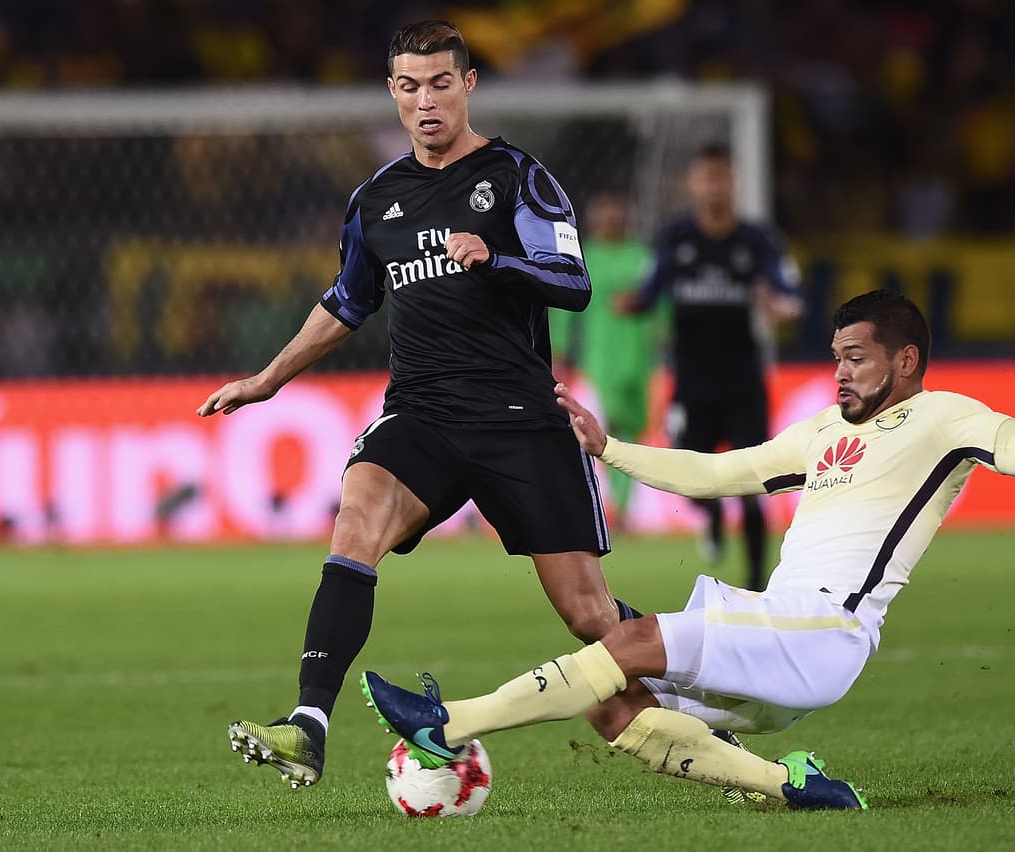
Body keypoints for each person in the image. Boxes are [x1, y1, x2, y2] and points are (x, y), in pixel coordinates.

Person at [358, 277, 1015, 810]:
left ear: (905, 362)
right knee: (612, 704)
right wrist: (610, 448)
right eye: (837, 355)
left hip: (827, 632)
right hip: (780, 630)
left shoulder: (945, 417)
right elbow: (721, 473)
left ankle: (448, 722)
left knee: (631, 639)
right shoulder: (822, 431)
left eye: (857, 357)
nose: (839, 371)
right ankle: (791, 786)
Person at [196, 20, 641, 791]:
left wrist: (496, 257)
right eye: (410, 86)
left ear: (468, 85)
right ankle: (309, 725)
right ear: (392, 94)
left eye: (441, 83)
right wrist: (269, 378)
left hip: (519, 419)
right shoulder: (377, 199)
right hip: (423, 412)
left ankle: (694, 704)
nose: (426, 101)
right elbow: (345, 303)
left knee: (590, 618)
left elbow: (575, 283)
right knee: (355, 515)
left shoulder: (516, 177)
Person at [617, 143, 802, 590]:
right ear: (693, 185)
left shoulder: (757, 240)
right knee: (687, 474)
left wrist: (777, 305)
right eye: (706, 178)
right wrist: (631, 304)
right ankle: (713, 513)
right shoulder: (675, 239)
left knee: (757, 480)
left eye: (722, 178)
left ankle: (759, 582)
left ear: (734, 182)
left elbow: (789, 298)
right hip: (691, 382)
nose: (714, 187)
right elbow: (648, 290)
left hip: (742, 382)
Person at [552, 192, 659, 528]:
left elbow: (662, 301)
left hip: (640, 359)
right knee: (602, 433)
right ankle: (603, 509)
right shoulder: (586, 259)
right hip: (599, 361)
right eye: (604, 211)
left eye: (616, 209)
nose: (611, 217)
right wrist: (559, 349)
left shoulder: (643, 257)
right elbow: (565, 307)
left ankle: (625, 511)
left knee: (634, 433)